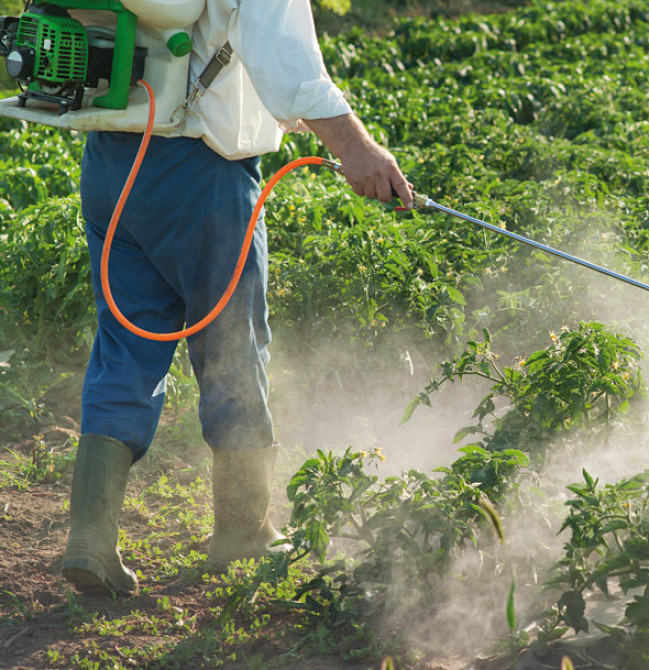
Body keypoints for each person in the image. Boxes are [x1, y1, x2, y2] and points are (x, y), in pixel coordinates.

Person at [61, 0, 413, 596]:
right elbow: (288, 62)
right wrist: (357, 149)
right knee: (232, 345)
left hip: (111, 163)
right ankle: (244, 532)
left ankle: (89, 541)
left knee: (125, 345)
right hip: (200, 174)